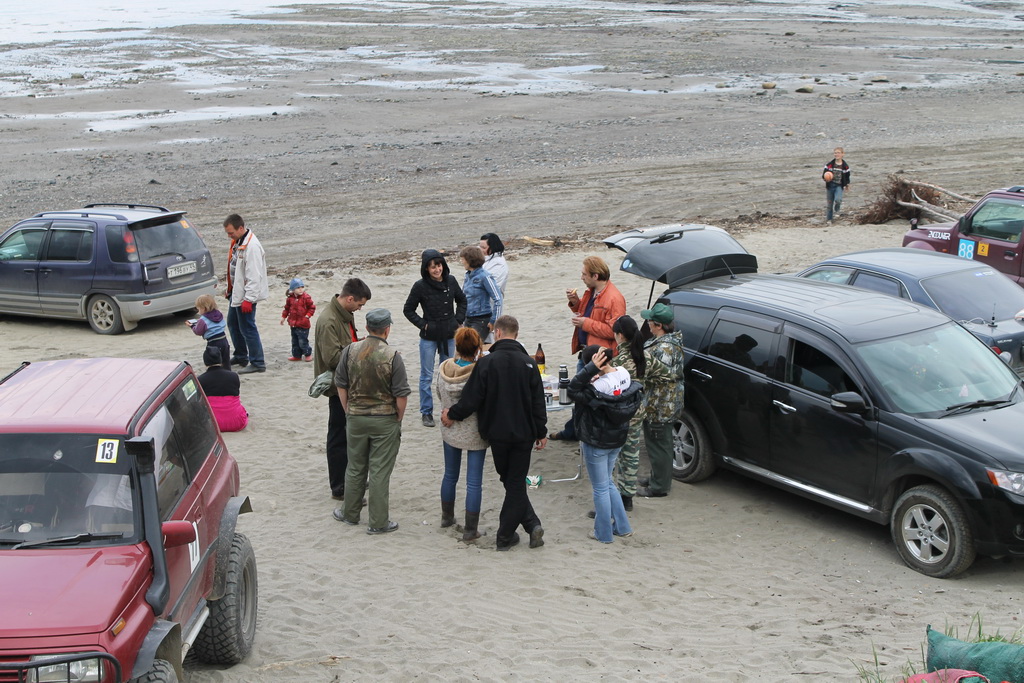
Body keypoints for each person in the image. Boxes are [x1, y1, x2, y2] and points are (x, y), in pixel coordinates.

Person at [441, 315, 548, 551]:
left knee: (512, 482)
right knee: (514, 482)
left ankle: (505, 536)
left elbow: (472, 398)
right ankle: (531, 524)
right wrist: (542, 431)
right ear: (516, 334)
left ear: (497, 333)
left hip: (497, 433)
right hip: (524, 434)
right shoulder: (529, 364)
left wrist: (452, 414)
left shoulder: (487, 363)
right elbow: (538, 402)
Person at [332, 308, 410, 535]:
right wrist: (398, 416)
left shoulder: (350, 350)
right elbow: (401, 394)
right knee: (379, 471)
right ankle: (378, 522)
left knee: (355, 467)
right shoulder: (392, 356)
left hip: (356, 417)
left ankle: (349, 513)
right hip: (384, 419)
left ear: (367, 328)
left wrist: (348, 409)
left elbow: (341, 384)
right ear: (387, 329)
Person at [569, 345, 643, 543]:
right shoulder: (623, 373)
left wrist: (590, 370)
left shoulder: (598, 387)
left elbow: (573, 389)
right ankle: (622, 526)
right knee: (608, 483)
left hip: (598, 439)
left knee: (600, 488)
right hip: (617, 436)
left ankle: (603, 533)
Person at [552, 255, 626, 441]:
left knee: (592, 398)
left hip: (600, 358)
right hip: (587, 354)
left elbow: (615, 331)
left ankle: (583, 435)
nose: (581, 277)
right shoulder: (591, 292)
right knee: (580, 396)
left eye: (584, 274)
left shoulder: (614, 298)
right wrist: (575, 302)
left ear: (595, 275)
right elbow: (584, 311)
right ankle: (573, 432)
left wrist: (586, 324)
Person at [313, 278, 371, 501]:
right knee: (339, 436)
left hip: (348, 382)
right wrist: (361, 351)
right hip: (339, 386)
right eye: (359, 304)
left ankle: (350, 479)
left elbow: (346, 346)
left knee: (350, 435)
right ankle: (339, 487)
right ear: (350, 299)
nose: (360, 308)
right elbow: (332, 358)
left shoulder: (344, 314)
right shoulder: (329, 320)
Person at [609, 315, 671, 512]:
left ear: (620, 335)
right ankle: (627, 497)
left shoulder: (617, 362)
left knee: (612, 457)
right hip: (637, 412)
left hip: (618, 414)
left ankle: (613, 499)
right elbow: (666, 375)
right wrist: (644, 387)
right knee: (631, 454)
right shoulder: (645, 357)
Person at [433, 326, 488, 542]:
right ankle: (470, 529)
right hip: (474, 432)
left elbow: (439, 393)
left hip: (450, 428)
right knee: (474, 482)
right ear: (477, 348)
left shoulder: (444, 368)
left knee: (450, 475)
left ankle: (447, 517)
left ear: (456, 346)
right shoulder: (480, 372)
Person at [403, 249, 467, 428]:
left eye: (438, 266)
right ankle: (426, 412)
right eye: (432, 267)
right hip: (429, 337)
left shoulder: (451, 280)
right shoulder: (420, 286)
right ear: (426, 269)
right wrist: (424, 325)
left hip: (449, 335)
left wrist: (458, 320)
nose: (437, 270)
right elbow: (408, 309)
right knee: (426, 376)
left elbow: (462, 300)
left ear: (443, 265)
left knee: (448, 374)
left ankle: (449, 409)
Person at [637, 303, 686, 498]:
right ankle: (656, 477)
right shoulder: (666, 342)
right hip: (660, 403)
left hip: (660, 405)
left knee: (659, 445)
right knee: (656, 443)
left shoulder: (664, 348)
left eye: (650, 321)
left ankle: (659, 487)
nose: (647, 323)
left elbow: (660, 376)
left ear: (658, 325)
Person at [223, 213, 269, 374]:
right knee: (233, 324)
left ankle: (258, 362)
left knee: (247, 327)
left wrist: (249, 299)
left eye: (231, 233)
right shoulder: (239, 242)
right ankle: (241, 355)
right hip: (236, 293)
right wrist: (230, 290)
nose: (229, 236)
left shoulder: (252, 247)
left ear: (241, 228)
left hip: (245, 296)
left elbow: (254, 276)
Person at [197, 347, 248, 432]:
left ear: (205, 362)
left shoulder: (200, 380)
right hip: (237, 422)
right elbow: (236, 394)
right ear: (220, 360)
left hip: (214, 424)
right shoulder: (233, 376)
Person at [458, 245, 503, 341]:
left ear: (470, 260)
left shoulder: (485, 276)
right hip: (468, 318)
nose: (462, 262)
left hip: (481, 319)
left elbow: (498, 299)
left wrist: (494, 321)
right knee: (465, 346)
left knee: (472, 345)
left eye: (463, 259)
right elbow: (463, 298)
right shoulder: (467, 276)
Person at [187, 293, 230, 370]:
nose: (198, 311)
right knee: (226, 360)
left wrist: (192, 326)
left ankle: (216, 374)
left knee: (214, 362)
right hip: (224, 340)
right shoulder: (218, 314)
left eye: (199, 309)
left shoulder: (203, 319)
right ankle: (228, 373)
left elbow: (198, 331)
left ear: (204, 308)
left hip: (213, 342)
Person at [280, 277, 316, 361]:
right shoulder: (290, 298)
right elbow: (287, 308)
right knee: (295, 341)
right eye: (298, 287)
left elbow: (312, 307)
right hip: (293, 323)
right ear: (293, 289)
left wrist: (307, 316)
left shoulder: (306, 297)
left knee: (303, 341)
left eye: (302, 287)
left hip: (303, 324)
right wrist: (283, 317)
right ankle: (296, 355)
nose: (300, 289)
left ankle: (307, 354)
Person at [822, 146, 851, 225]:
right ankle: (829, 219)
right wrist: (826, 178)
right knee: (829, 204)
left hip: (839, 186)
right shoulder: (829, 165)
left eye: (838, 153)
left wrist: (847, 184)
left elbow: (847, 176)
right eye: (835, 153)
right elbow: (823, 175)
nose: (836, 154)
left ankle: (837, 207)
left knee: (838, 200)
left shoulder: (845, 166)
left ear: (842, 154)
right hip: (830, 186)